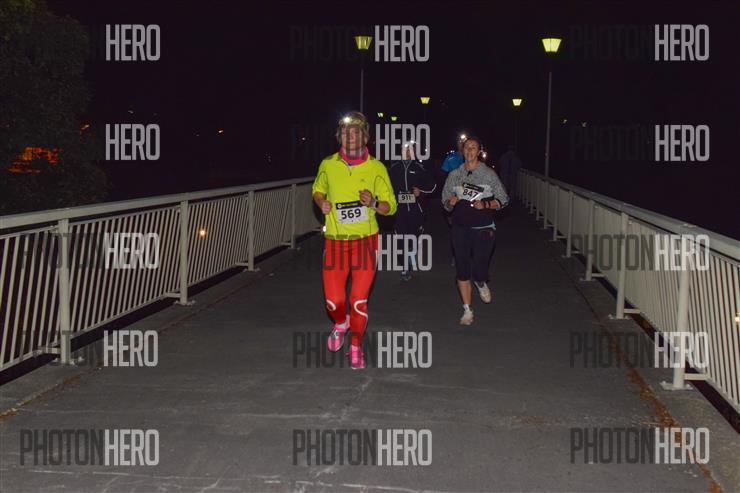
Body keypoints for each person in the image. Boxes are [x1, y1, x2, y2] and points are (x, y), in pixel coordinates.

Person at [311, 111, 397, 369]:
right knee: (333, 302)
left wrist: (373, 203)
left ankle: (357, 346)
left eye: (356, 131)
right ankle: (341, 323)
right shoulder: (328, 164)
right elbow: (317, 190)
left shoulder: (377, 168)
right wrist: (321, 203)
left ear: (365, 137)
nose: (350, 136)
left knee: (358, 299)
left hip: (365, 242)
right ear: (339, 136)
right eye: (345, 132)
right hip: (335, 242)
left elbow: (390, 207)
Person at [441, 136, 509, 326]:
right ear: (462, 151)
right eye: (467, 147)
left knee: (479, 269)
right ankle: (467, 310)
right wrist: (450, 203)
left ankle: (480, 281)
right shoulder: (455, 174)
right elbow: (445, 201)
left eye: (474, 148)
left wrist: (486, 204)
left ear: (479, 152)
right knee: (462, 269)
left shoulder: (488, 174)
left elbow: (504, 199)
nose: (470, 151)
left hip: (483, 228)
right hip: (460, 227)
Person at [388, 141, 436, 281]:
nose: (408, 152)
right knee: (400, 238)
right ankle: (405, 267)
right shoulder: (394, 168)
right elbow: (385, 187)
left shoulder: (420, 167)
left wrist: (420, 191)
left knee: (414, 236)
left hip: (416, 209)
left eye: (410, 150)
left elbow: (432, 186)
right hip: (399, 210)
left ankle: (412, 252)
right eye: (405, 149)